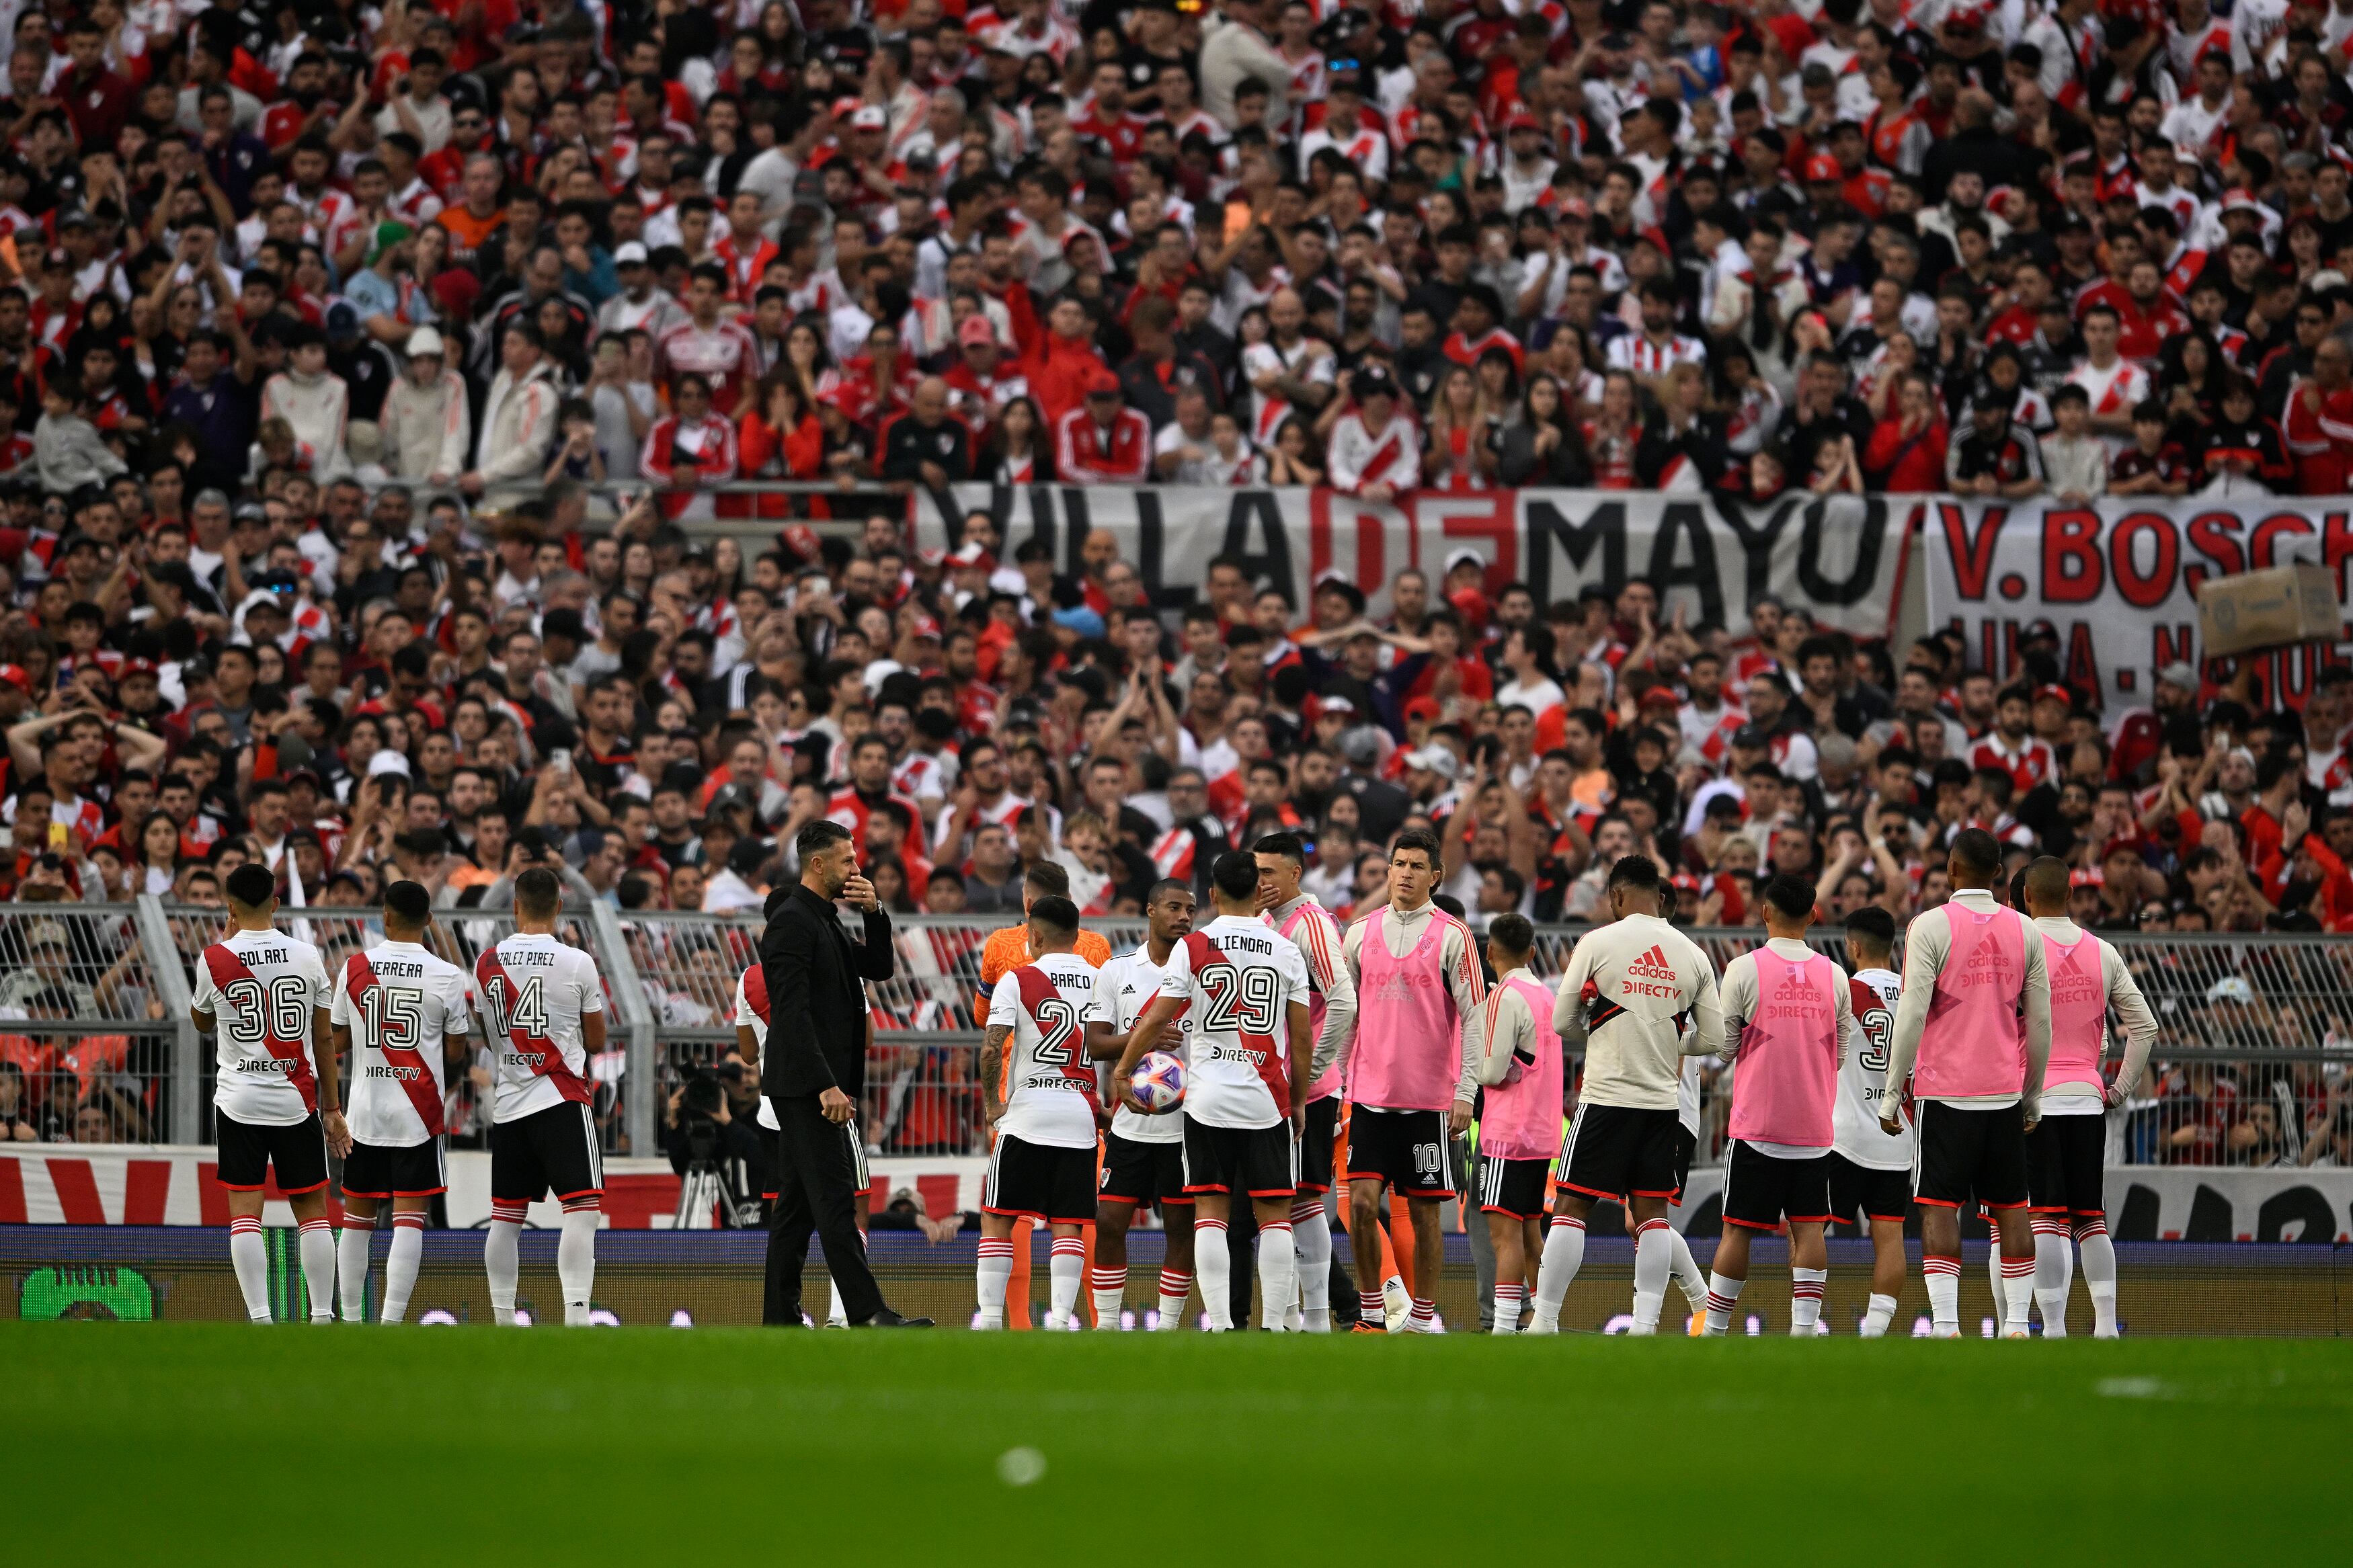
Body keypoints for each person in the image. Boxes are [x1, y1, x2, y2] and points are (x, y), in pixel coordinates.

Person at [1113, 850, 1313, 1332]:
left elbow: (1158, 1016)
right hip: (1266, 1098)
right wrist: (1301, 1098)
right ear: (1259, 891)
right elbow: (1303, 1037)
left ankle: (1221, 1323)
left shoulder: (1194, 945)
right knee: (1275, 1214)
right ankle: (1275, 1324)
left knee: (1210, 1209)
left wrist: (1124, 1068)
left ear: (1212, 894)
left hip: (1207, 1099)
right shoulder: (1285, 948)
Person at [1527, 855, 1724, 1335]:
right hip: (1661, 1104)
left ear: (1616, 895)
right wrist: (1670, 1038)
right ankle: (1645, 1324)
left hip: (1606, 1095)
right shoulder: (1693, 953)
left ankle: (1547, 1320)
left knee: (1573, 1205)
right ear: (1659, 895)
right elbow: (1714, 1039)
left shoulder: (1597, 941)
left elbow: (1560, 1022)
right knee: (1651, 1214)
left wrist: (1598, 1030)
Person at [755, 820, 928, 1327]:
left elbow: (878, 965)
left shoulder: (823, 920)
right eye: (848, 860)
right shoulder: (792, 922)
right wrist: (824, 1083)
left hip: (814, 1083)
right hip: (808, 1086)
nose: (857, 868)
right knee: (835, 1199)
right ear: (817, 863)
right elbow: (792, 1013)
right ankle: (868, 1311)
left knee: (796, 1209)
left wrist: (875, 911)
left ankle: (780, 1316)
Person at [1880, 827, 2052, 1338]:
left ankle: (1948, 1325)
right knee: (2013, 1207)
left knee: (1938, 1205)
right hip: (2002, 1090)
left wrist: (1893, 1092)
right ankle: (2018, 1323)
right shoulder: (2025, 930)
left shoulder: (1929, 926)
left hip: (1944, 1091)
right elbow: (2040, 1020)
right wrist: (2033, 1092)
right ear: (1999, 873)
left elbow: (1911, 1014)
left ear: (1951, 870)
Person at [1338, 826, 1486, 1333]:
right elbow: (1345, 1014)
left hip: (1427, 1103)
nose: (1404, 873)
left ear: (1435, 876)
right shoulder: (1360, 932)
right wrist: (1337, 1080)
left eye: (1416, 865)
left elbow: (1474, 1015)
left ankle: (1423, 1318)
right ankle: (1373, 1311)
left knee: (1425, 1216)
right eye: (1398, 863)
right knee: (1359, 1204)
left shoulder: (1452, 935)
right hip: (1370, 1099)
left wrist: (1465, 1092)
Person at [189, 860, 341, 1324]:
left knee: (245, 1211)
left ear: (230, 906)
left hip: (239, 1100)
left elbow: (200, 1021)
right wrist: (332, 1109)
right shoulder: (307, 955)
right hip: (296, 1099)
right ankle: (320, 1315)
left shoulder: (215, 958)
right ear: (276, 903)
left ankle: (259, 1315)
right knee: (312, 1209)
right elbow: (325, 1038)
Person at [1702, 874, 1854, 1335]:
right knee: (1809, 1228)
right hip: (1812, 1127)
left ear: (1765, 912)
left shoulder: (1744, 968)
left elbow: (1723, 1047)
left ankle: (1714, 1329)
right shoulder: (1835, 975)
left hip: (1757, 1127)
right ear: (1813, 914)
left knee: (1737, 1230)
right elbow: (1840, 1052)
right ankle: (1805, 1330)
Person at [2017, 854, 2157, 1337]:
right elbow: (2145, 1026)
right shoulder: (2101, 950)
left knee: (2046, 1217)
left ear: (2028, 896)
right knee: (2090, 1217)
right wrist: (2118, 1089)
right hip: (2086, 1096)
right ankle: (2104, 1326)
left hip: (2034, 1099)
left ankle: (2053, 1326)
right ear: (2071, 895)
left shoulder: (2020, 945)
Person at [331, 878, 477, 1325]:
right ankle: (392, 1321)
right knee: (409, 1219)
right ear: (430, 921)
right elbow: (456, 1051)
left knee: (357, 1217)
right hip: (420, 1113)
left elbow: (335, 1040)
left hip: (364, 1112)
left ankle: (352, 1319)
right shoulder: (449, 976)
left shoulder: (355, 966)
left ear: (385, 916)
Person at [475, 866, 608, 1327]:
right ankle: (575, 1313)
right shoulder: (576, 961)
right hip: (562, 1097)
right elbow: (596, 1040)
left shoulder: (487, 962)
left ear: (515, 906)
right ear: (558, 906)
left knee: (506, 1217)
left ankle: (501, 1317)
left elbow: (488, 1032)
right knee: (582, 1208)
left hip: (510, 1101)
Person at [735, 885, 867, 1327]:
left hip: (774, 1112)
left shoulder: (749, 979)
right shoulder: (833, 967)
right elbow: (863, 1038)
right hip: (827, 1103)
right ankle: (844, 1312)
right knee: (844, 1204)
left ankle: (782, 1314)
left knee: (788, 1216)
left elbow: (749, 1054)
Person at [976, 895, 1103, 1329]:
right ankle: (1061, 1320)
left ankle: (992, 1319)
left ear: (1035, 934)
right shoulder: (1101, 979)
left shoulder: (1018, 979)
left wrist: (995, 1104)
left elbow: (993, 1046)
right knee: (1069, 1222)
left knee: (998, 1217)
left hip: (1028, 1115)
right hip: (1080, 1118)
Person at [1085, 878, 1199, 1331]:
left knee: (1180, 1228)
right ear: (1151, 910)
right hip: (1129, 1125)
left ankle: (1168, 1327)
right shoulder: (1117, 971)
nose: (1184, 917)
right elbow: (1095, 1043)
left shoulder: (1201, 971)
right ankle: (1107, 1326)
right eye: (1174, 907)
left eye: (1190, 910)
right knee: (1110, 1221)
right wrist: (1144, 1036)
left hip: (1183, 1126)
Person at [1254, 830, 1356, 1332]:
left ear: (1295, 873)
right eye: (1256, 872)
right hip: (1274, 1086)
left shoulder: (1311, 924)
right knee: (1285, 1198)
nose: (1261, 881)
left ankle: (1315, 1317)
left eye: (1269, 872)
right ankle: (1295, 1315)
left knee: (1303, 1197)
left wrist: (1311, 1071)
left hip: (1304, 1089)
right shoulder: (1269, 922)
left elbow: (1343, 999)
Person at [1464, 913, 1560, 1335]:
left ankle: (1503, 1327)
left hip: (1506, 1134)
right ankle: (1544, 1320)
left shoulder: (1503, 996)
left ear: (1490, 952)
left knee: (1504, 1236)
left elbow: (1491, 1071)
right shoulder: (1546, 996)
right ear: (1533, 952)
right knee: (1532, 1234)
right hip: (1542, 1135)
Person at [1831, 905, 1913, 1337]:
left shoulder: (1842, 991)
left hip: (1843, 1134)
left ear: (1854, 946)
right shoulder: (1918, 993)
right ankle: (1876, 1331)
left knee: (1807, 1228)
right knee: (1890, 1239)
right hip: (1898, 1135)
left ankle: (1806, 1317)